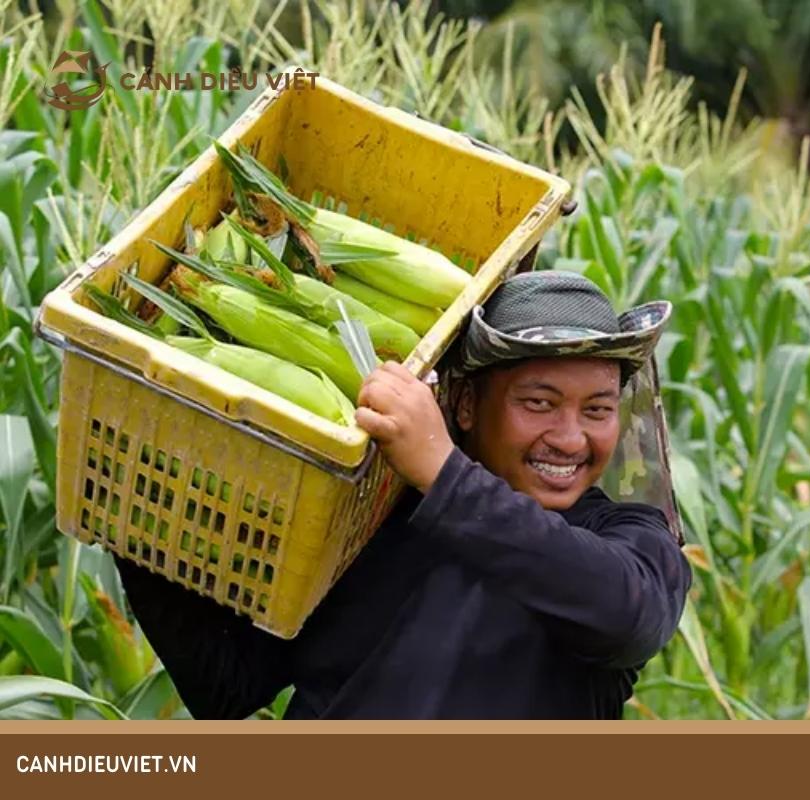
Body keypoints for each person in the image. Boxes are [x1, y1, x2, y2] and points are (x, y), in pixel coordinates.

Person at [116, 270, 692, 719]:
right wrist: (134, 519)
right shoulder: (363, 516)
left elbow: (627, 615)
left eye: (597, 410)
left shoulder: (630, 546)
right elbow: (229, 686)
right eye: (538, 403)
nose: (570, 438)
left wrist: (443, 473)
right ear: (465, 405)